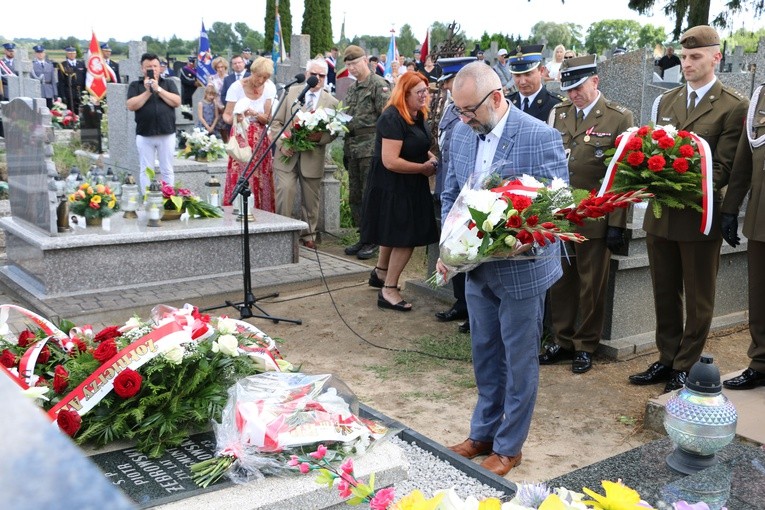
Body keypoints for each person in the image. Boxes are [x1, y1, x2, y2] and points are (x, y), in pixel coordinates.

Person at [439, 61, 568, 476]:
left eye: (469, 110)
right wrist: (449, 246)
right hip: (476, 271)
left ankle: (509, 446)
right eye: (457, 110)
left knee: (518, 360)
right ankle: (482, 434)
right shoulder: (461, 133)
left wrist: (520, 239)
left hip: (521, 271)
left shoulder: (539, 136)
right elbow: (449, 195)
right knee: (485, 355)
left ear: (497, 98)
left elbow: (560, 209)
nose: (462, 118)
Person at [629, 25, 748, 393]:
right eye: (683, 57)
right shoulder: (667, 102)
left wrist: (670, 179)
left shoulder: (732, 105)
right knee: (664, 290)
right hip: (661, 214)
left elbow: (725, 167)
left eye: (695, 57)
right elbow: (651, 148)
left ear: (716, 57)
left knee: (698, 296)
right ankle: (666, 358)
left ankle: (686, 364)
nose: (687, 63)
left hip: (699, 214)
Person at [540, 55, 634, 374]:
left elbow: (623, 173)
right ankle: (562, 339)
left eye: (579, 87)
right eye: (569, 89)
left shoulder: (618, 117)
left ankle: (585, 345)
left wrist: (617, 223)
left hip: (595, 215)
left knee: (591, 284)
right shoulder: (561, 113)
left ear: (595, 81)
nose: (573, 94)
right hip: (561, 212)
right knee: (561, 281)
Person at [362, 72, 438, 311]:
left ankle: (381, 273)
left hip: (410, 184)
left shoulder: (417, 115)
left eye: (426, 91)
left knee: (394, 231)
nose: (425, 96)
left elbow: (415, 142)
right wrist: (423, 168)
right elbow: (391, 161)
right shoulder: (391, 118)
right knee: (404, 237)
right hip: (393, 185)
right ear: (404, 94)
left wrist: (429, 156)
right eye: (420, 92)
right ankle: (389, 290)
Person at [718, 88, 765, 390]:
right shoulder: (761, 97)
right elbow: (744, 163)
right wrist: (730, 209)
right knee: (760, 295)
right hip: (761, 217)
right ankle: (760, 362)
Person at [271, 58, 339, 249]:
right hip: (287, 155)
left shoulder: (331, 102)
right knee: (286, 191)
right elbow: (275, 123)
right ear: (306, 74)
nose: (317, 78)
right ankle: (283, 233)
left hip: (312, 157)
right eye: (313, 74)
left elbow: (334, 132)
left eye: (321, 75)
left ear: (326, 78)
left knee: (311, 199)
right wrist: (283, 143)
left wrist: (320, 137)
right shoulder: (291, 92)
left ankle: (308, 234)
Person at [433, 57, 477, 333]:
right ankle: (460, 302)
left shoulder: (472, 110)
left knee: (470, 249)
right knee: (454, 245)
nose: (449, 87)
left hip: (471, 192)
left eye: (451, 81)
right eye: (448, 83)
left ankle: (473, 311)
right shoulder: (451, 109)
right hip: (450, 184)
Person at [341, 45, 391, 260]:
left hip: (370, 147)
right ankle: (363, 236)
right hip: (352, 147)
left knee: (370, 195)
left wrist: (382, 151)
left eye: (354, 63)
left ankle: (373, 239)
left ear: (365, 61)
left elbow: (387, 119)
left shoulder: (379, 85)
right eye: (348, 65)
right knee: (355, 196)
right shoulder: (352, 89)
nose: (351, 68)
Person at [222, 56, 277, 211]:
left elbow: (267, 118)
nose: (260, 80)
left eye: (265, 78)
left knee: (262, 176)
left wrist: (254, 114)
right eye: (258, 76)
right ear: (252, 71)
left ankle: (263, 212)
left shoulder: (270, 87)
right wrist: (237, 117)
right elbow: (226, 115)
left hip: (260, 138)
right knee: (242, 174)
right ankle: (239, 210)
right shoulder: (236, 87)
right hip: (242, 138)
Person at [126, 52, 181, 191]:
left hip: (166, 133)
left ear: (160, 68)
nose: (153, 69)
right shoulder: (135, 85)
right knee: (146, 169)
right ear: (142, 69)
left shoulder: (168, 83)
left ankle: (168, 199)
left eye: (155, 66)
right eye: (148, 66)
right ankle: (147, 200)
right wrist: (148, 91)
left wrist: (158, 89)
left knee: (167, 169)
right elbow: (131, 105)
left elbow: (176, 102)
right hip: (145, 134)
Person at [507, 44, 564, 122]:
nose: (522, 81)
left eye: (528, 74)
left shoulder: (556, 105)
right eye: (517, 75)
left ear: (541, 71)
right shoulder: (506, 104)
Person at [209, 56, 232, 142]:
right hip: (216, 106)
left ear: (225, 67)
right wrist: (218, 106)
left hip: (228, 105)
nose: (220, 69)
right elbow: (210, 93)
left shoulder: (229, 78)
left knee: (228, 128)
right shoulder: (212, 78)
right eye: (218, 67)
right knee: (221, 129)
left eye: (222, 67)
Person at [57, 45, 86, 113]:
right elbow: (61, 82)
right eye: (70, 53)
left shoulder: (81, 64)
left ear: (76, 54)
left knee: (81, 111)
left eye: (73, 53)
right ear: (67, 54)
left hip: (80, 91)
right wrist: (62, 95)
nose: (72, 55)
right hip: (69, 91)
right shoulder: (63, 65)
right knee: (70, 111)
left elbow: (84, 78)